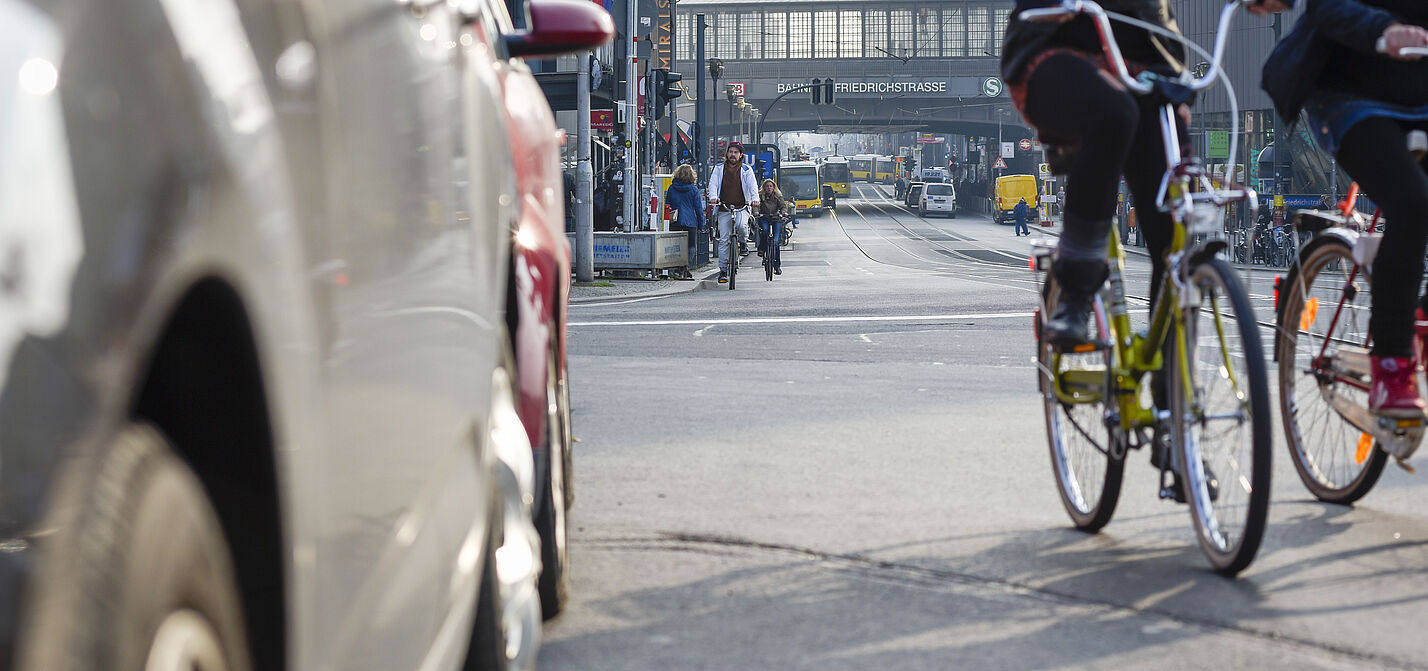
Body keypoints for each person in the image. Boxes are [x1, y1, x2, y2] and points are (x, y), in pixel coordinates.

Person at [1001, 0, 1285, 348]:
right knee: (1113, 111)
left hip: (1146, 70)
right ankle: (1075, 292)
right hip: (1056, 50)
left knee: (1171, 228)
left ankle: (1172, 384)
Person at [1264, 0, 1428, 417]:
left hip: (1420, 92)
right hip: (1351, 95)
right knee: (1410, 202)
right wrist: (1385, 29)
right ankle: (1392, 363)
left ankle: (1420, 316)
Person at [706, 143, 760, 284]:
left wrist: (755, 199)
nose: (733, 155)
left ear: (741, 155)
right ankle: (723, 270)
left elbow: (752, 186)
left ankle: (742, 243)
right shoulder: (718, 169)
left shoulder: (746, 170)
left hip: (741, 207)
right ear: (727, 154)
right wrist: (713, 197)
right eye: (730, 152)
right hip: (724, 207)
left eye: (736, 152)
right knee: (723, 240)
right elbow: (713, 184)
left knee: (742, 227)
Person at [664, 164, 706, 280]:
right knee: (691, 247)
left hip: (675, 222)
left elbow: (667, 205)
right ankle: (685, 267)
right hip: (690, 222)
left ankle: (679, 269)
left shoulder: (672, 188)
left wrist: (666, 221)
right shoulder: (693, 189)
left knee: (675, 247)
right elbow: (698, 209)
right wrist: (701, 225)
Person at [756, 178, 790, 275]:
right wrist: (756, 212)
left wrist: (784, 213)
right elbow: (756, 205)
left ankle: (777, 266)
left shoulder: (778, 196)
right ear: (764, 188)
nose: (769, 188)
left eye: (771, 186)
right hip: (764, 217)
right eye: (767, 186)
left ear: (774, 187)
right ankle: (761, 249)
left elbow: (783, 206)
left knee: (775, 242)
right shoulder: (760, 196)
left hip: (776, 218)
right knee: (765, 230)